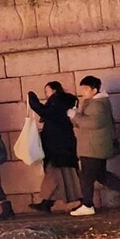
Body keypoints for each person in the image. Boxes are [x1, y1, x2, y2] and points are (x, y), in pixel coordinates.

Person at [70, 76, 120, 216]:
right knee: (100, 175)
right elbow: (82, 123)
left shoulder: (98, 104)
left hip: (94, 147)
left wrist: (75, 116)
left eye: (86, 89)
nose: (83, 92)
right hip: (93, 146)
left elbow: (93, 123)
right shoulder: (91, 102)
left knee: (87, 177)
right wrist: (75, 116)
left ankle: (88, 204)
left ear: (94, 90)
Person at [27, 81, 80, 210]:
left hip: (58, 145)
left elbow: (45, 112)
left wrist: (33, 101)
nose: (46, 94)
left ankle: (76, 201)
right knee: (57, 174)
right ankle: (47, 203)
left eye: (47, 91)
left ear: (54, 90)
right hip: (61, 144)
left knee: (60, 174)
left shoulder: (57, 102)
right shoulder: (62, 102)